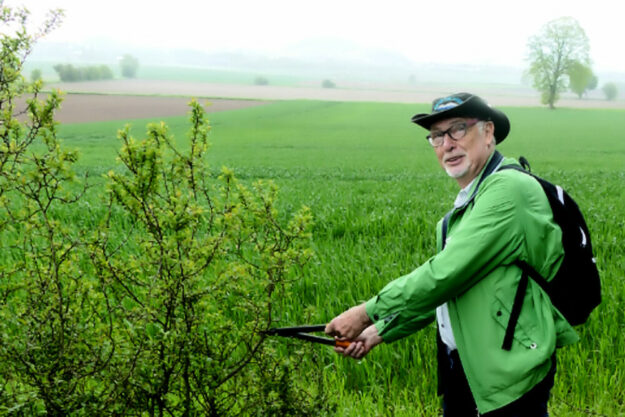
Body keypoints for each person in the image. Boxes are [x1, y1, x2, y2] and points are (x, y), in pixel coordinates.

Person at [325, 93, 579, 416]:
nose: (447, 144)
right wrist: (378, 331)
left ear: (488, 133)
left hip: (508, 377)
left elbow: (442, 273)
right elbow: (451, 288)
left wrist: (365, 313)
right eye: (437, 135)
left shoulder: (508, 192)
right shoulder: (468, 204)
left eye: (458, 129)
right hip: (464, 371)